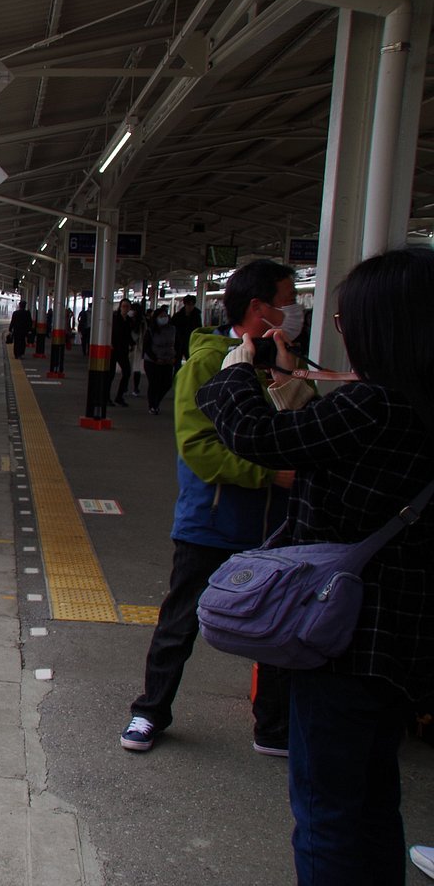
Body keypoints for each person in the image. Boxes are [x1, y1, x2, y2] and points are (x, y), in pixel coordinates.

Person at [196, 247, 434, 885]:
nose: (341, 329)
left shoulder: (376, 406)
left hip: (344, 634)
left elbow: (257, 437)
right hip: (400, 637)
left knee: (326, 810)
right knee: (373, 801)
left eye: (345, 318)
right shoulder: (414, 404)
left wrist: (240, 369)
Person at [120, 259, 297, 755]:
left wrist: (287, 375)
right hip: (211, 521)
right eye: (287, 300)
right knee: (180, 621)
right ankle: (149, 712)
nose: (294, 310)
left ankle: (273, 727)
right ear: (259, 307)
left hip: (273, 524)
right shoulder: (206, 362)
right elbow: (198, 449)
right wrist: (270, 473)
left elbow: (305, 429)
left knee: (280, 626)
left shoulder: (282, 360)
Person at [141, 307, 179, 415]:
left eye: (165, 316)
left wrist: (175, 357)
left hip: (168, 361)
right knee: (154, 383)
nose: (164, 318)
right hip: (152, 362)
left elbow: (177, 344)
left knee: (167, 383)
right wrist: (155, 358)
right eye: (161, 316)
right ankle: (152, 405)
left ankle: (156, 401)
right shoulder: (151, 331)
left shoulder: (173, 330)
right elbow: (146, 347)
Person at [109, 298, 135, 406]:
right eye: (123, 306)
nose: (125, 308)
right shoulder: (114, 318)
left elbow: (128, 334)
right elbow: (110, 332)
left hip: (123, 350)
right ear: (120, 307)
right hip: (113, 349)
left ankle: (119, 396)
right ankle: (106, 398)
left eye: (127, 306)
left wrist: (132, 343)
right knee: (110, 374)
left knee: (127, 372)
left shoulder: (128, 320)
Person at [173, 294, 203, 361]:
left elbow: (198, 329)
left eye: (192, 304)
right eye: (188, 304)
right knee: (177, 362)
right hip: (178, 342)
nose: (190, 306)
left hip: (191, 342)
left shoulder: (197, 316)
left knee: (190, 360)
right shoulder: (178, 316)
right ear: (185, 304)